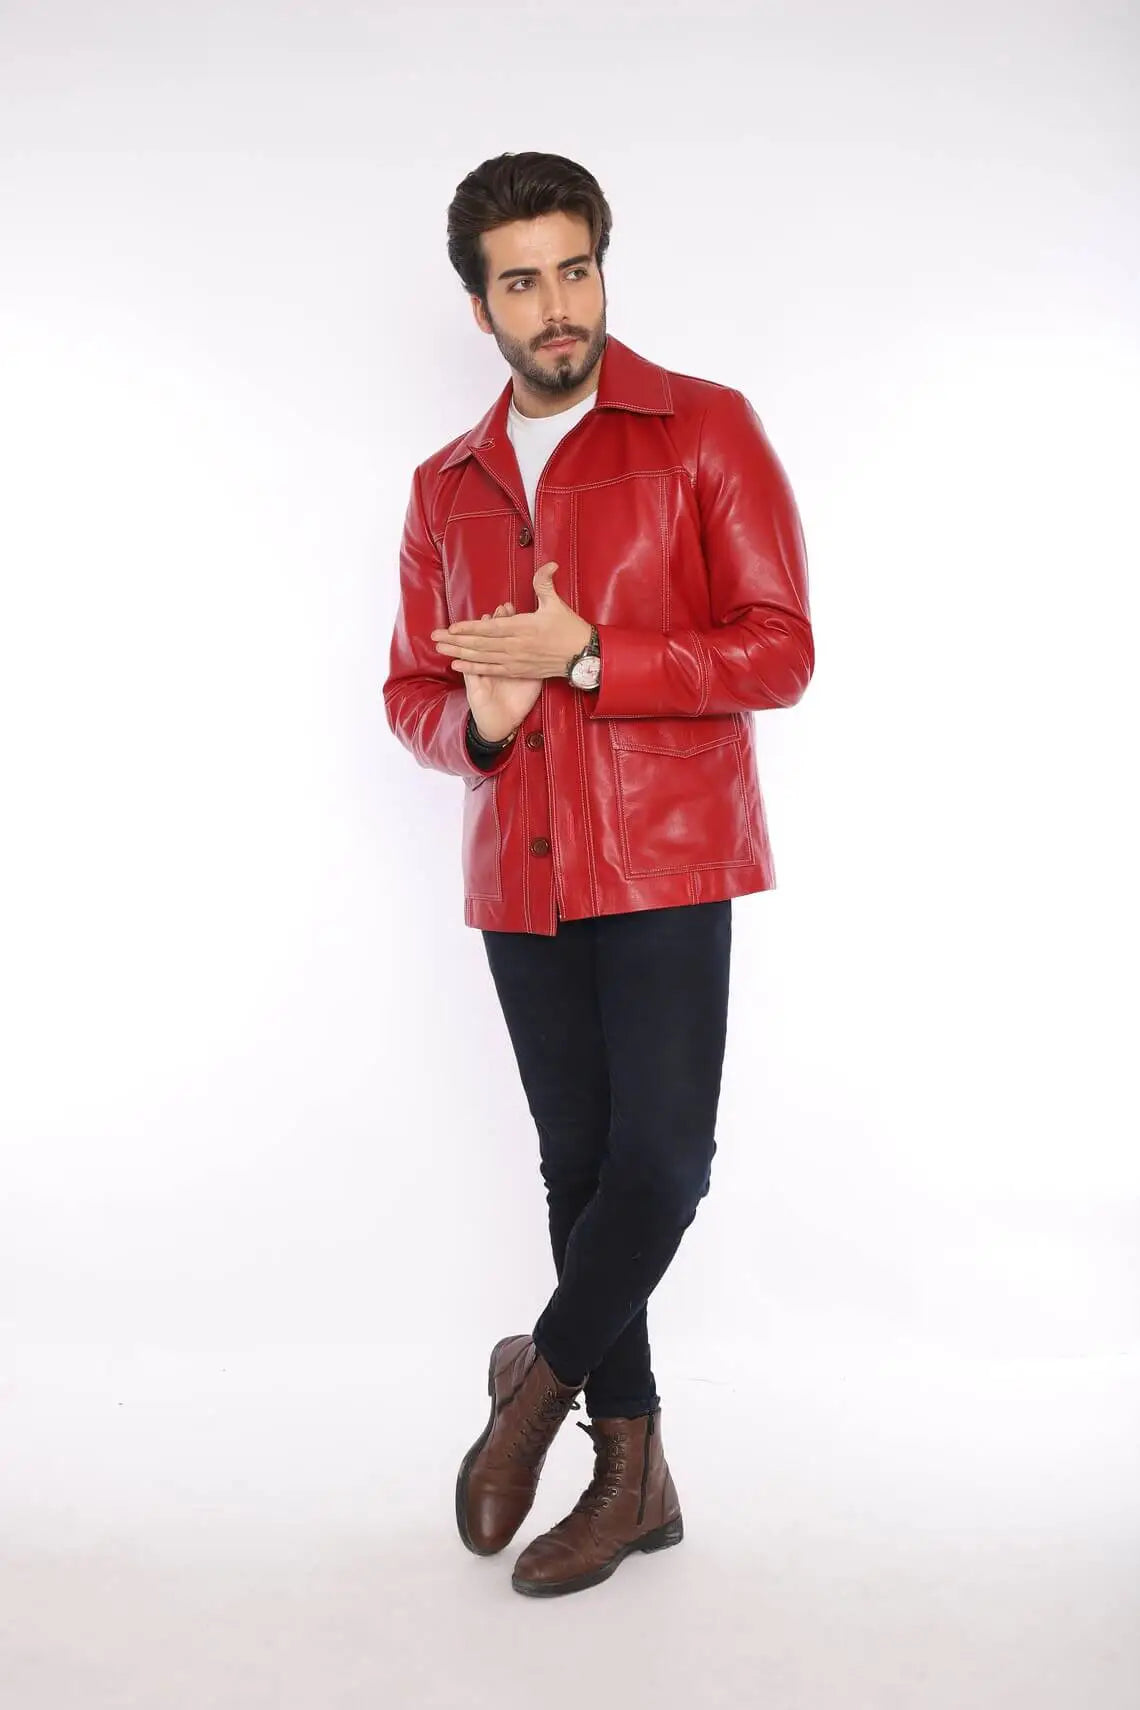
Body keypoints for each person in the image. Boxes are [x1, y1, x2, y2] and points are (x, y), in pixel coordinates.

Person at [383, 151, 813, 1598]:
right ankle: (634, 1478)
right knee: (580, 1169)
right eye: (522, 282)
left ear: (602, 271)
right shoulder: (444, 487)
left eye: (575, 270)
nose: (556, 305)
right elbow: (409, 694)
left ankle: (534, 1388)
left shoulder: (703, 429)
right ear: (480, 306)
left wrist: (587, 659)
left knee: (663, 1166)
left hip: (669, 853)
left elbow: (780, 649)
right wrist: (483, 724)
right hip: (519, 871)